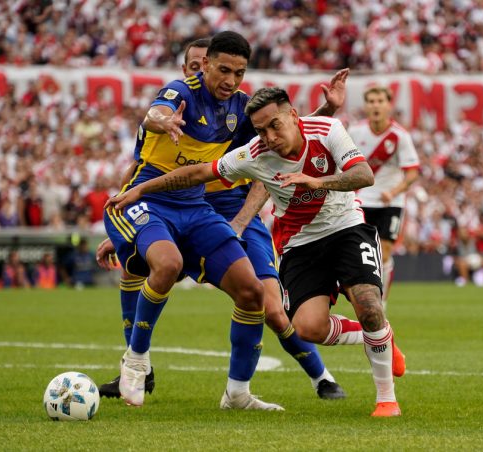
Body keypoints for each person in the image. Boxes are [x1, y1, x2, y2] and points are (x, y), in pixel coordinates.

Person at [106, 87, 407, 417]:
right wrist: (139, 190)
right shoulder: (254, 153)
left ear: (293, 115)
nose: (269, 136)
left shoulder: (328, 129)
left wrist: (318, 182)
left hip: (347, 226)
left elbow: (364, 174)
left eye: (274, 126)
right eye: (261, 130)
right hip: (300, 243)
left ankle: (385, 400)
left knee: (367, 303)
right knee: (307, 328)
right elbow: (195, 174)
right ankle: (376, 336)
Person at [97, 34, 348, 402]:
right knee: (152, 265)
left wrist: (327, 112)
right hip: (168, 203)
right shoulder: (178, 97)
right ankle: (136, 366)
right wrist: (124, 230)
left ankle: (314, 378)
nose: (228, 79)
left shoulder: (242, 111)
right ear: (195, 68)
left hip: (226, 206)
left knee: (267, 304)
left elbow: (287, 135)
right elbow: (152, 125)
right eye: (213, 68)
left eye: (238, 72)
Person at [348, 86, 419, 311]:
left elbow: (412, 173)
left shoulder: (400, 136)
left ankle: (382, 302)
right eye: (371, 101)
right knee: (362, 252)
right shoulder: (356, 131)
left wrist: (394, 192)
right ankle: (364, 297)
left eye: (380, 101)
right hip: (361, 201)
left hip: (390, 203)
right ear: (366, 105)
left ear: (388, 105)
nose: (375, 105)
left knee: (385, 251)